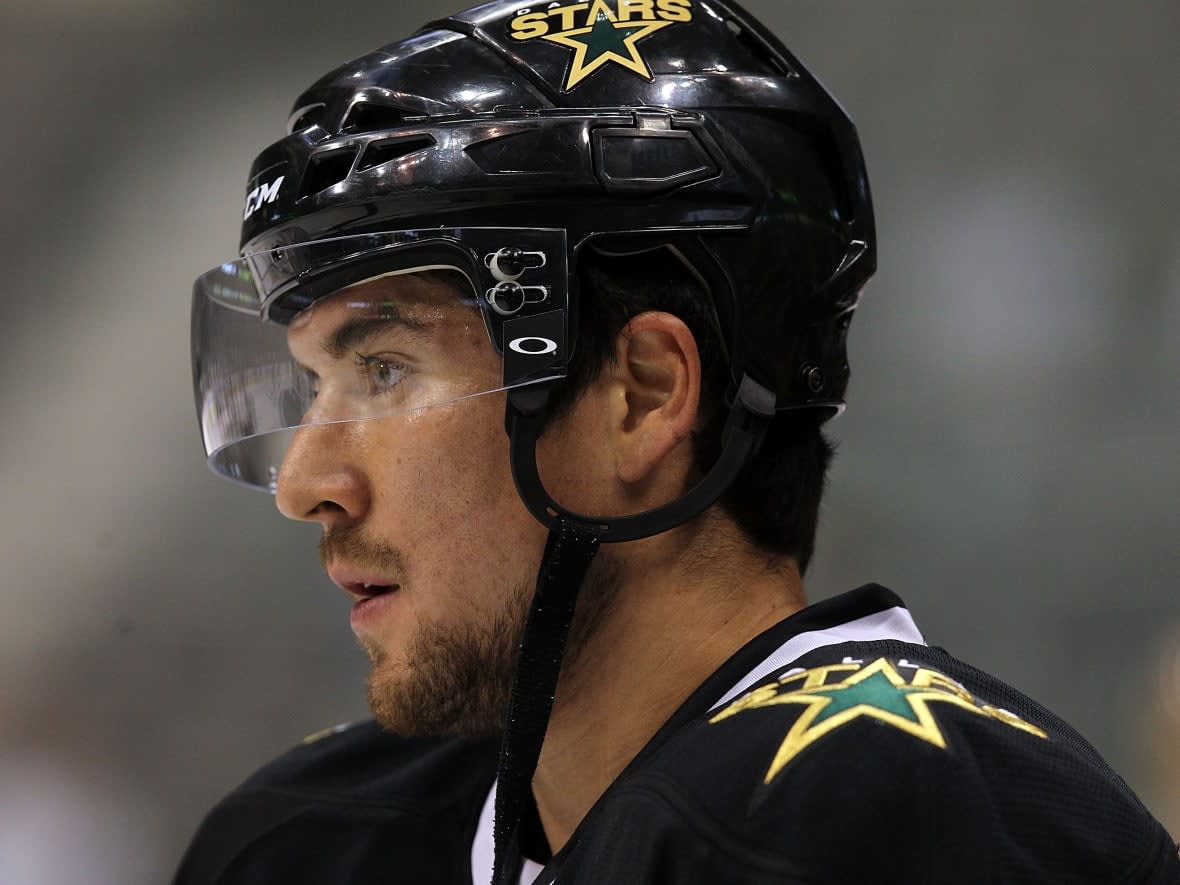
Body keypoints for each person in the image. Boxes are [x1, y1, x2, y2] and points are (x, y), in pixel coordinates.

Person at [175, 1, 1180, 882]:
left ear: (643, 394)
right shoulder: (310, 838)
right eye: (314, 385)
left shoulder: (883, 811)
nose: (306, 482)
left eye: (384, 369)